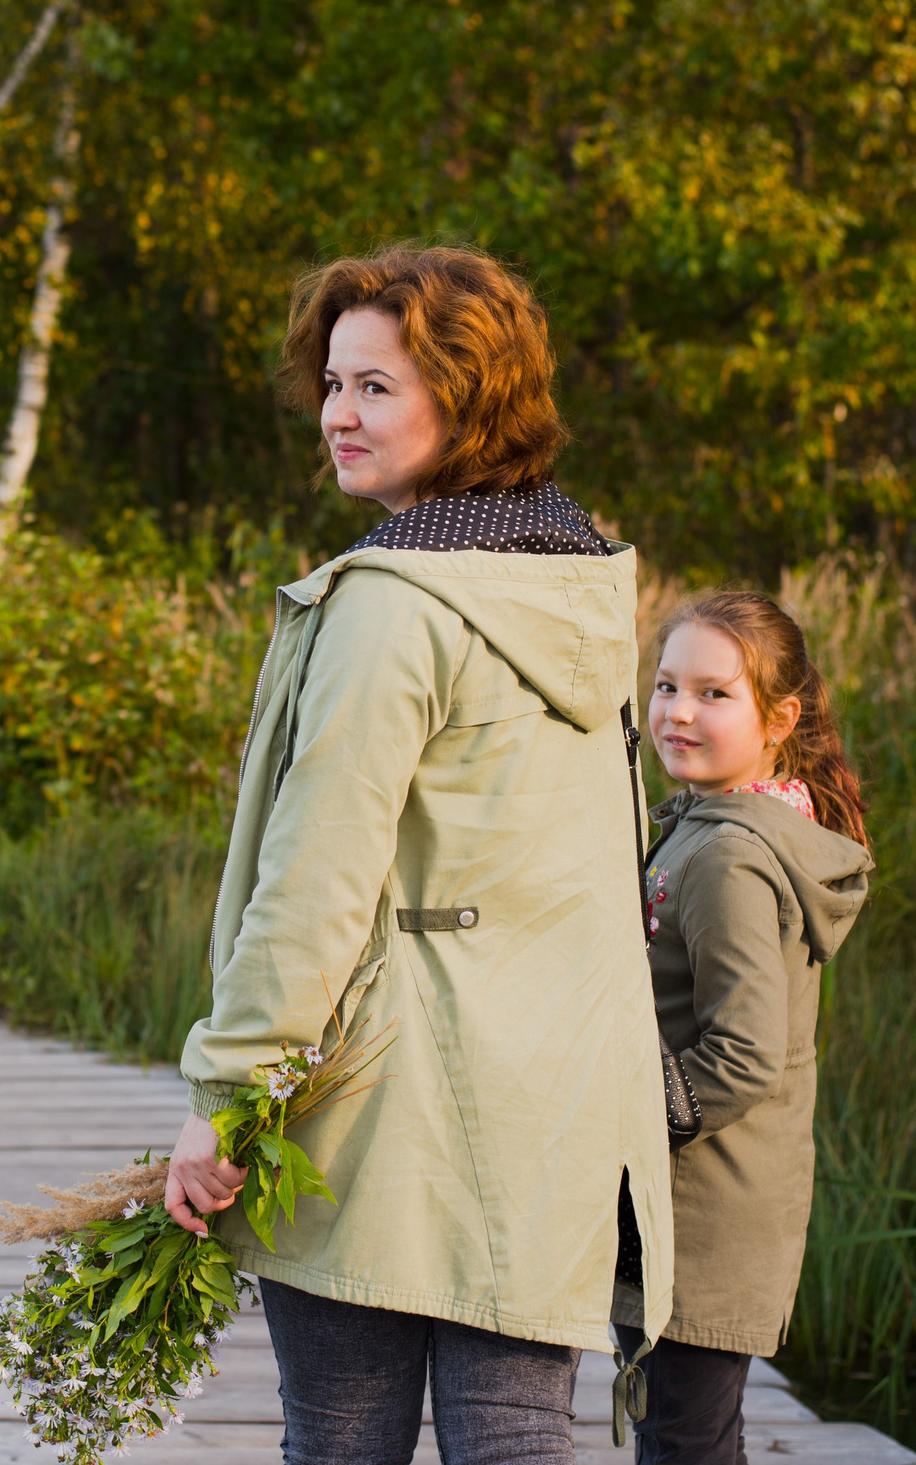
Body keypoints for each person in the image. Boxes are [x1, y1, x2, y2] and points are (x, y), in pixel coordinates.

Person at [163, 245, 675, 1465]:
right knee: (514, 1438)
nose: (337, 413)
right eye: (333, 383)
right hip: (547, 1108)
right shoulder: (580, 584)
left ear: (470, 391)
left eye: (377, 386)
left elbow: (317, 877)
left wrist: (231, 1091)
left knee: (343, 1443)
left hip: (380, 1106)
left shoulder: (394, 601)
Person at [635, 592, 875, 1464]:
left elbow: (742, 1054)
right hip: (709, 1203)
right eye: (666, 685)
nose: (679, 711)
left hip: (709, 1213)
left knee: (684, 1443)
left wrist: (626, 1116)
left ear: (780, 718)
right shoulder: (711, 827)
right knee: (691, 1437)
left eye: (714, 693)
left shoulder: (732, 856)